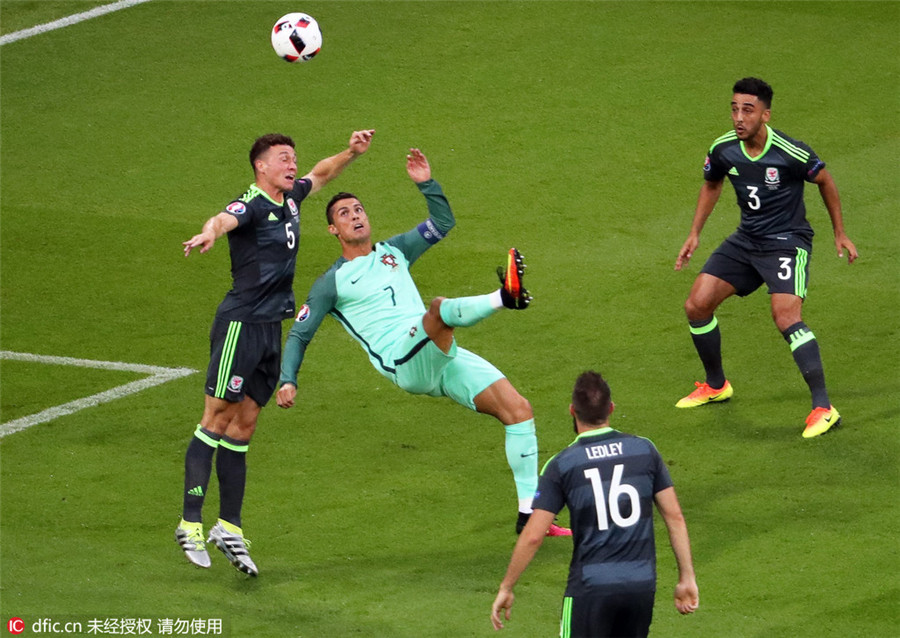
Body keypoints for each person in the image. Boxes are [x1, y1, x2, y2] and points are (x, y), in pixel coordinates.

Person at [277, 148, 570, 536]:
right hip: (404, 360)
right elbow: (300, 332)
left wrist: (426, 184)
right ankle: (504, 297)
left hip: (437, 355)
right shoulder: (331, 282)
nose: (355, 216)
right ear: (334, 231)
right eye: (344, 214)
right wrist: (288, 379)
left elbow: (443, 222)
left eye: (358, 209)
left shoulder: (394, 252)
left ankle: (528, 513)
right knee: (438, 310)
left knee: (518, 410)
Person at [175, 129, 375, 576]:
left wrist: (351, 152)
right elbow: (223, 219)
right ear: (260, 166)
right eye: (283, 159)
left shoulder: (291, 199)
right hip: (240, 325)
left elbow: (321, 174)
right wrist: (207, 234)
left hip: (270, 327)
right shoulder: (250, 205)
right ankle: (189, 523)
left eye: (293, 158)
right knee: (215, 419)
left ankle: (229, 526)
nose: (292, 165)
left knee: (243, 426)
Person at [674, 77, 858, 438]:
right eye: (734, 108)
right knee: (697, 304)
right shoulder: (724, 149)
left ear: (765, 114)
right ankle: (716, 385)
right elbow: (712, 184)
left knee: (786, 315)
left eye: (747, 110)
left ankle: (823, 407)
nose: (738, 117)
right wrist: (694, 232)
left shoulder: (791, 152)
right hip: (747, 241)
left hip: (787, 243)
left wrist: (840, 232)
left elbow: (825, 181)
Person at [490, 371, 699, 637]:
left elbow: (533, 535)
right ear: (611, 408)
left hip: (591, 589)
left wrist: (506, 587)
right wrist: (686, 577)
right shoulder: (644, 450)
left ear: (572, 411)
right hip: (640, 586)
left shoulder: (562, 465)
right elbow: (675, 517)